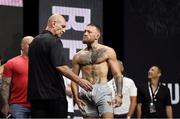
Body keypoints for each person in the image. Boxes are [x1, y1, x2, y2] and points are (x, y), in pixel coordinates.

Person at [28, 14, 93, 118]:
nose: (64, 30)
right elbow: (60, 66)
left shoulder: (33, 42)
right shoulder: (54, 41)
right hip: (53, 96)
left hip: (35, 97)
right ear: (53, 24)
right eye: (62, 26)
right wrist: (80, 81)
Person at [71, 23, 123, 118]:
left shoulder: (107, 51)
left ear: (97, 36)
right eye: (85, 31)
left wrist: (119, 95)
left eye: (89, 32)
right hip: (85, 92)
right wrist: (76, 98)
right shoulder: (78, 56)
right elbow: (74, 79)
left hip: (102, 90)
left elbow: (117, 74)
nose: (85, 34)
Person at [0, 36, 34, 118]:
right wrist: (5, 104)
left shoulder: (40, 63)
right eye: (30, 44)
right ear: (22, 46)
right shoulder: (12, 63)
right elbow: (5, 86)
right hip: (18, 105)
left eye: (34, 45)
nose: (33, 47)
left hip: (36, 105)